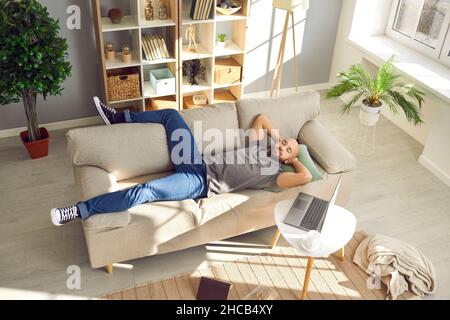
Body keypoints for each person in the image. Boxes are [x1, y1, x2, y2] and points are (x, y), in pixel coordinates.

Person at [50, 97, 312, 226]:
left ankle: (79, 210)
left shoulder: (273, 174)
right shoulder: (259, 144)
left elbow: (305, 177)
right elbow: (262, 118)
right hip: (196, 160)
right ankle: (120, 118)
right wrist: (279, 139)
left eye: (287, 149)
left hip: (199, 182)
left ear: (289, 158)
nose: (282, 146)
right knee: (172, 115)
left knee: (145, 191)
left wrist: (295, 156)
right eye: (284, 142)